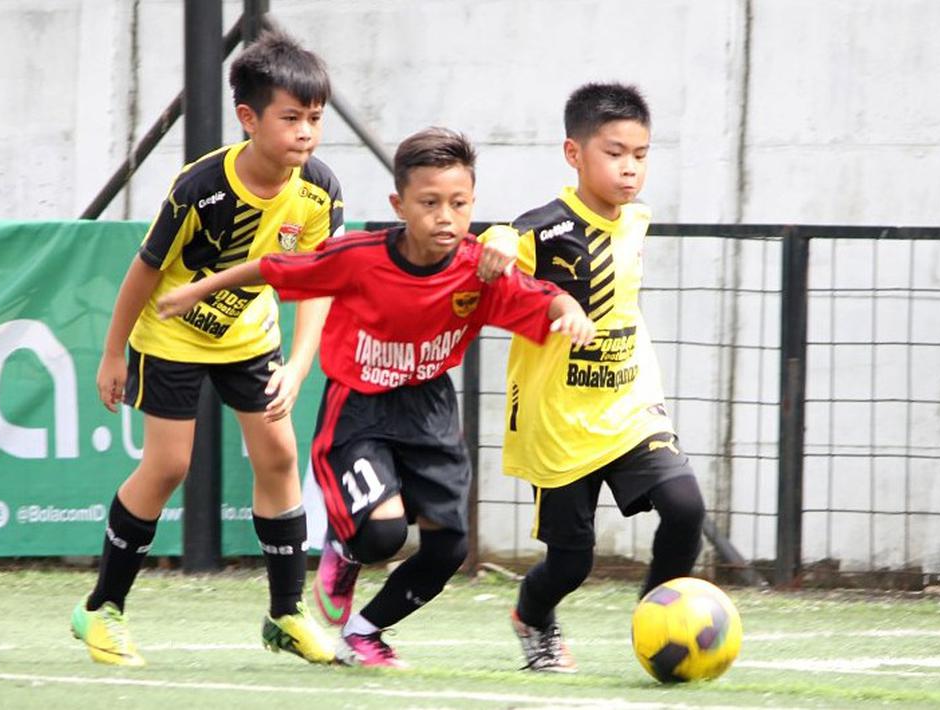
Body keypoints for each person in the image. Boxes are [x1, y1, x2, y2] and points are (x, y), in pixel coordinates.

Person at [157, 127, 595, 668]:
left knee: (448, 549)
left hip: (430, 411)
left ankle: (365, 633)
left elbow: (540, 297)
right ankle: (346, 549)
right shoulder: (359, 257)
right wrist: (195, 290)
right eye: (429, 203)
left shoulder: (479, 270)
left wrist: (569, 311)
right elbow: (274, 267)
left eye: (458, 204)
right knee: (383, 534)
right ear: (399, 204)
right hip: (359, 408)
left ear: (472, 203)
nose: (445, 217)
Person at [70, 30, 341, 667]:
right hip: (170, 336)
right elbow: (143, 270)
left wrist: (300, 365)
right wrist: (113, 355)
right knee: (169, 467)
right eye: (292, 118)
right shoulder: (201, 187)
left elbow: (318, 279)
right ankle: (100, 609)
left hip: (251, 337)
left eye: (316, 119)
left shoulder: (320, 189)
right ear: (249, 119)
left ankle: (285, 614)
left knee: (278, 455)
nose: (306, 132)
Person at [480, 83, 707, 673]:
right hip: (558, 422)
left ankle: (660, 623)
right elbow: (498, 243)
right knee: (571, 562)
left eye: (641, 153)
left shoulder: (637, 219)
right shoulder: (544, 229)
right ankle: (533, 614)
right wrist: (500, 241)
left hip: (630, 405)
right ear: (573, 154)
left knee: (684, 507)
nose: (630, 168)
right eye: (614, 153)